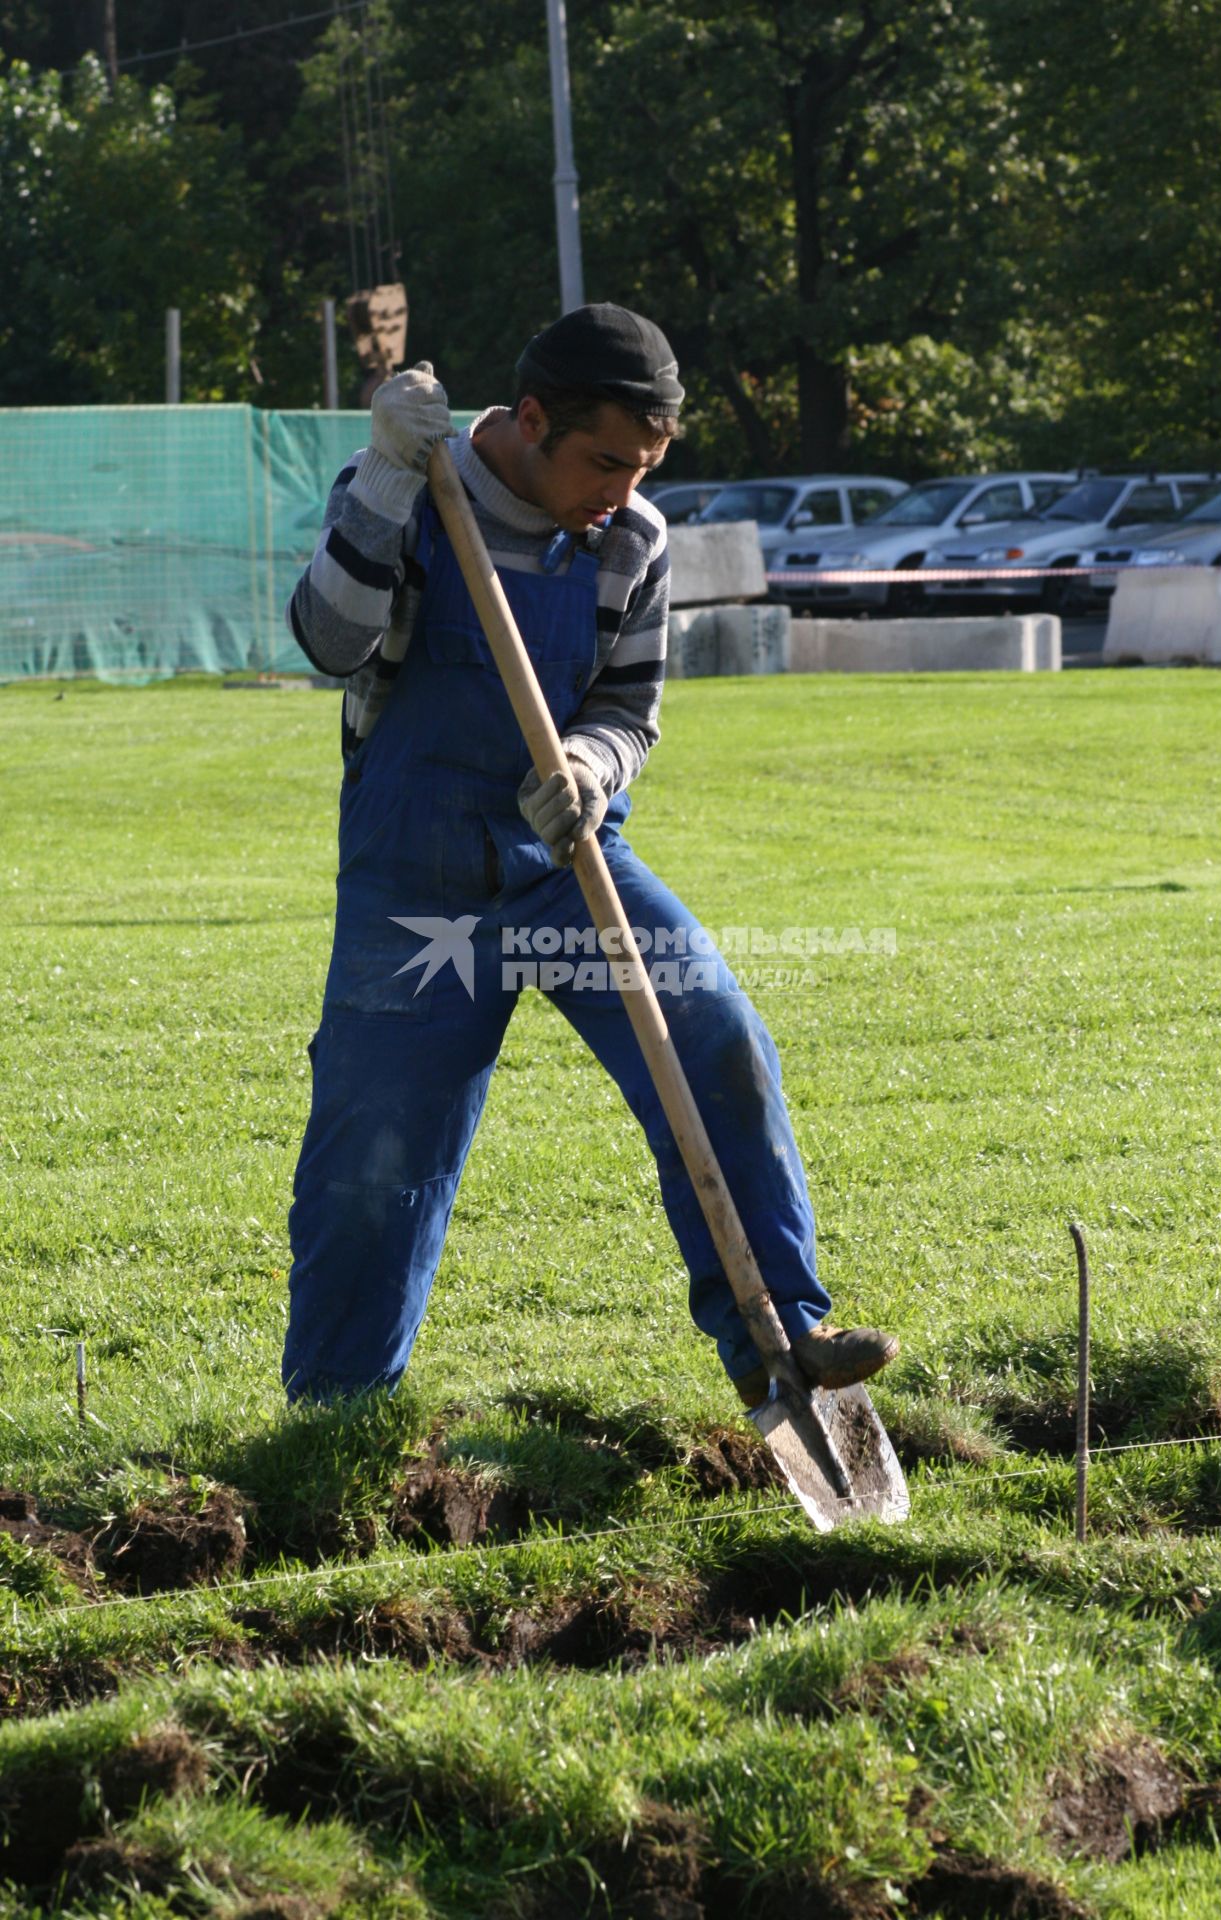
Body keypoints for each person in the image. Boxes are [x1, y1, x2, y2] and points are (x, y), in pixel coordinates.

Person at [282, 301, 899, 1410]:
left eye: (644, 466)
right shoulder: (409, 490)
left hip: (565, 864)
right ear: (528, 420)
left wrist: (588, 765)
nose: (622, 491)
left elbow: (629, 707)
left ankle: (784, 1341)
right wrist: (379, 477)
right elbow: (329, 643)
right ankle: (337, 1410)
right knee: (375, 1153)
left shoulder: (633, 539)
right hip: (413, 888)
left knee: (714, 1034)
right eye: (605, 462)